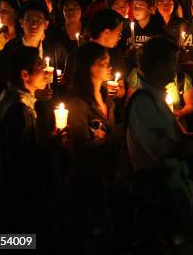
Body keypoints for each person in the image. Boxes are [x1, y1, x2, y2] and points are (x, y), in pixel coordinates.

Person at [126, 37, 193, 252]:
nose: (177, 68)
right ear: (159, 66)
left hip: (171, 187)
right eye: (173, 63)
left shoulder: (156, 98)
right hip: (158, 192)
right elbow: (162, 148)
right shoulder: (143, 102)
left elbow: (175, 137)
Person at [0, 46, 49, 232]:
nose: (45, 72)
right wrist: (51, 144)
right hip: (17, 197)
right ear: (25, 75)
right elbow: (20, 159)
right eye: (40, 67)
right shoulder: (18, 110)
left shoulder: (11, 100)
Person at [63, 42, 119, 249]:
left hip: (109, 172)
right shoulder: (78, 103)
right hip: (88, 178)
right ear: (88, 67)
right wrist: (112, 139)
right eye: (102, 62)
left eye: (108, 62)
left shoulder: (107, 98)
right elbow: (81, 147)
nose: (108, 67)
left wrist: (106, 138)